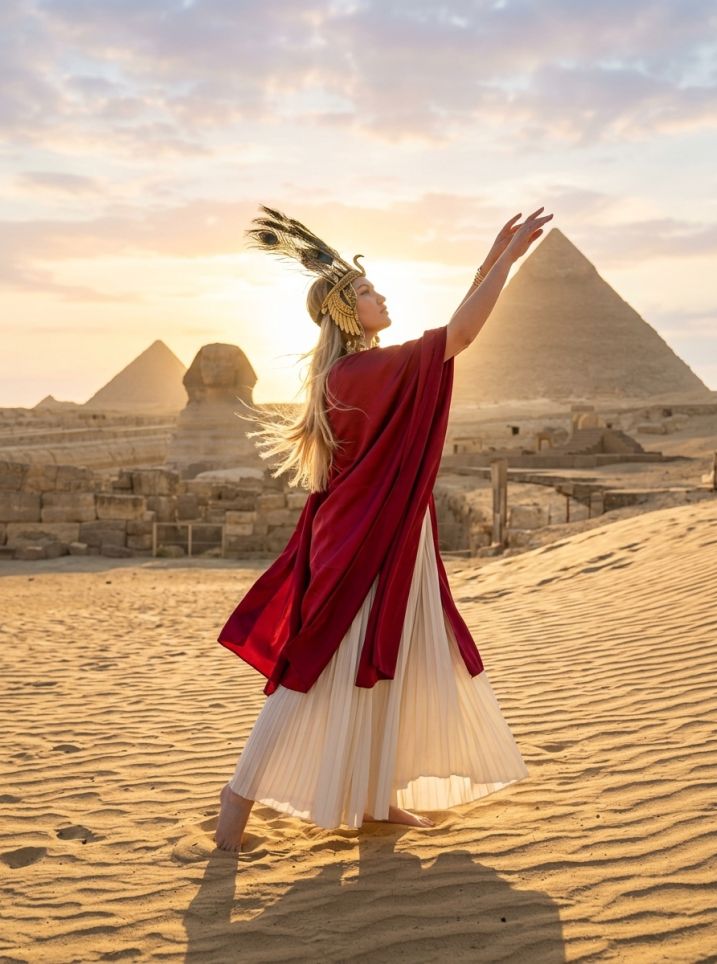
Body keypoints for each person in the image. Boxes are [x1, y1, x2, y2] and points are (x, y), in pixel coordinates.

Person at [214, 204, 554, 852]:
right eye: (369, 292)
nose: (381, 296)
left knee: (387, 659)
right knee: (320, 666)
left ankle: (377, 797)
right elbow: (459, 336)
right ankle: (237, 800)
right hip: (363, 540)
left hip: (389, 531)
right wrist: (505, 263)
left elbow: (449, 336)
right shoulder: (362, 372)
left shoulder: (356, 369)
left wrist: (491, 261)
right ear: (347, 311)